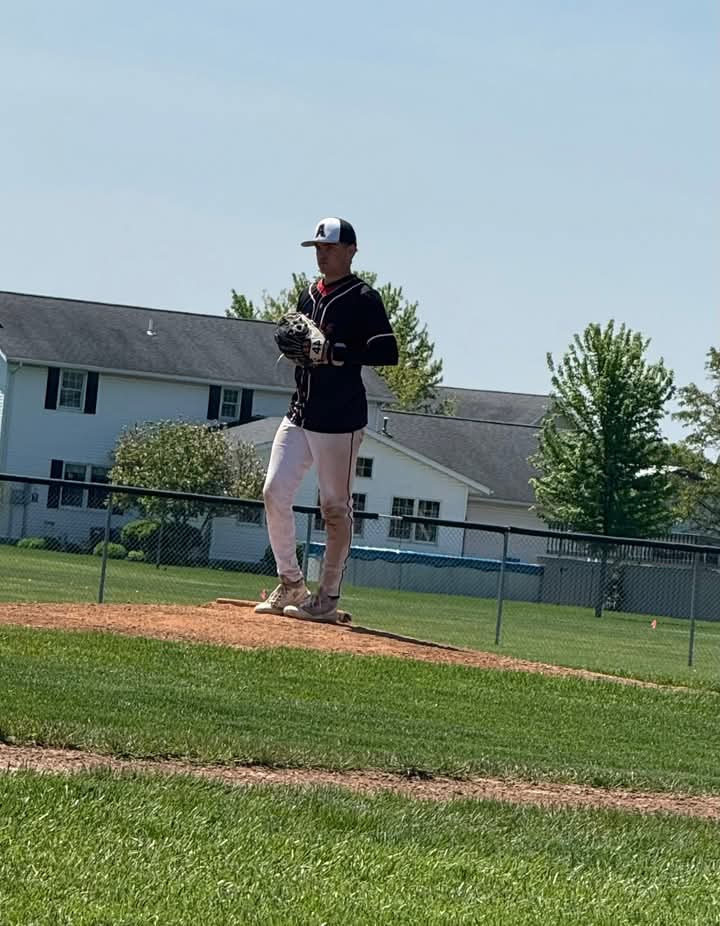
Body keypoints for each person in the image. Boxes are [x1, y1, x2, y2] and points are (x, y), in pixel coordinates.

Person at [256, 217, 398, 622]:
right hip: (300, 411)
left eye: (330, 248)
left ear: (352, 251)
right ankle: (292, 583)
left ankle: (327, 598)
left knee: (334, 507)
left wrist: (336, 351)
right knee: (274, 491)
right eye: (318, 248)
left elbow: (388, 353)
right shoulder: (308, 296)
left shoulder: (364, 298)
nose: (322, 254)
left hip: (339, 420)